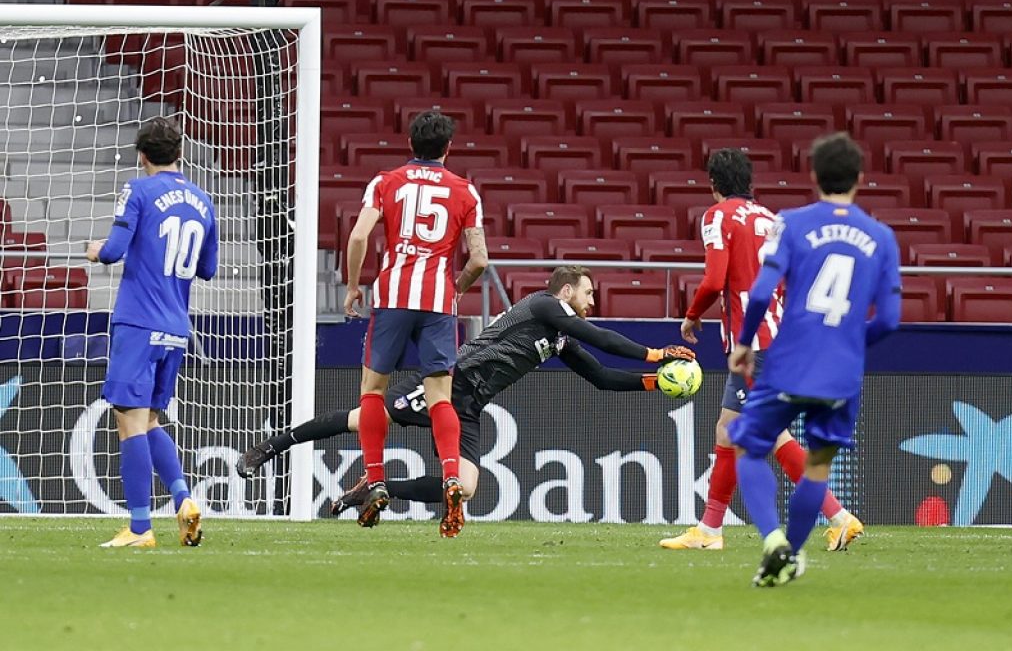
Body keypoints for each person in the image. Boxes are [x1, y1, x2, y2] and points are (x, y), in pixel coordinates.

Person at [236, 265, 694, 513]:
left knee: (468, 488)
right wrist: (654, 354)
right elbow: (602, 338)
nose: (592, 303)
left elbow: (601, 377)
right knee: (361, 418)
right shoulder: (543, 305)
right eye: (588, 294)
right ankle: (270, 447)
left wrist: (656, 382)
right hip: (450, 386)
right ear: (568, 289)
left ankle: (376, 489)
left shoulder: (558, 337)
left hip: (472, 405)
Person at [660, 148, 864, 552]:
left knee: (757, 434)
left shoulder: (717, 216)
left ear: (713, 184)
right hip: (784, 339)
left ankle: (838, 517)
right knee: (737, 429)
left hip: (755, 345)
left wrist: (692, 315)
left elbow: (715, 279)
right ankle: (710, 529)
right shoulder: (773, 220)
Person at [727, 133, 901, 586]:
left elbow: (762, 290)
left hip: (789, 362)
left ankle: (773, 543)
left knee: (747, 446)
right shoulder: (882, 238)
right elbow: (890, 320)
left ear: (813, 176)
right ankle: (793, 556)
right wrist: (848, 345)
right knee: (817, 468)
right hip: (842, 375)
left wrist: (744, 343)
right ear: (861, 180)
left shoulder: (791, 223)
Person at [344, 111, 489, 538]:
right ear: (449, 148)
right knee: (440, 398)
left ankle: (374, 480)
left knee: (373, 391)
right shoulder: (466, 191)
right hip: (438, 302)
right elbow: (479, 259)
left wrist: (353, 285)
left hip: (392, 297)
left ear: (410, 143)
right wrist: (457, 286)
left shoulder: (385, 182)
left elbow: (358, 237)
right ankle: (450, 477)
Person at [86, 116, 218, 548]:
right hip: (177, 327)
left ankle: (141, 528)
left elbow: (113, 251)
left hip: (139, 321)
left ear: (141, 156)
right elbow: (209, 269)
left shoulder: (139, 190)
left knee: (129, 422)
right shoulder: (202, 199)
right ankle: (184, 499)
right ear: (179, 154)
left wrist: (96, 252)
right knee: (151, 420)